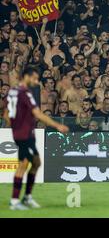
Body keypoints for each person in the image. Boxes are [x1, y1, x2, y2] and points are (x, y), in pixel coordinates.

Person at [3, 67, 68, 210]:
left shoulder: (13, 91)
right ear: (26, 76)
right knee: (23, 165)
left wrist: (15, 126)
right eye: (34, 78)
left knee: (36, 163)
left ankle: (27, 197)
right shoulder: (25, 92)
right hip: (24, 134)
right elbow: (38, 114)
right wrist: (58, 126)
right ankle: (15, 201)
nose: (36, 81)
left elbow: (6, 115)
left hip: (22, 133)